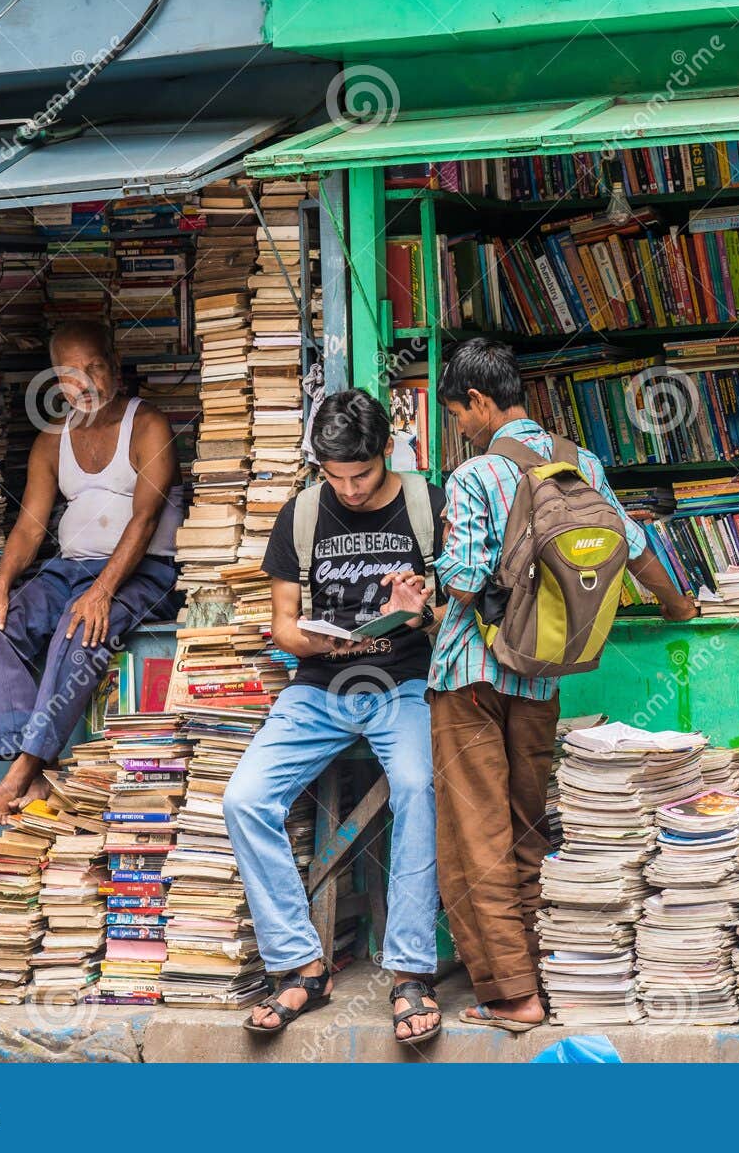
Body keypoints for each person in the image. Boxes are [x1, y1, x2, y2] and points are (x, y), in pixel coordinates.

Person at [430, 337, 699, 1031]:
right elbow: (633, 548)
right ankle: (545, 970)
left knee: (475, 833)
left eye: (458, 414)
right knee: (526, 825)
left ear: (481, 403)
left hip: (472, 677)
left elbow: (461, 582)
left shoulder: (474, 476)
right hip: (544, 676)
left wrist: (426, 600)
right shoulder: (580, 463)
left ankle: (514, 994)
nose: (459, 428)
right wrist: (680, 609)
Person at [222, 389, 446, 1044]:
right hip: (319, 687)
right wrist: (324, 642)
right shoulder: (301, 515)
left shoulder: (428, 507)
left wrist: (418, 609)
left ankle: (408, 973)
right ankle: (302, 966)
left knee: (416, 785)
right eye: (333, 475)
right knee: (243, 798)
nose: (348, 489)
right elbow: (284, 629)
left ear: (387, 453)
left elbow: (462, 613)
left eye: (362, 474)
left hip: (403, 681)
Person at [0, 320, 184, 823]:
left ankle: (23, 770)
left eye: (94, 368)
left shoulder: (146, 424)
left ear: (115, 368)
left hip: (142, 573)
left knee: (79, 625)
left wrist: (104, 591)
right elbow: (29, 527)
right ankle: (35, 764)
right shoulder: (52, 440)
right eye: (70, 373)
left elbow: (145, 518)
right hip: (66, 570)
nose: (84, 382)